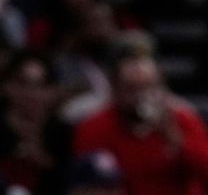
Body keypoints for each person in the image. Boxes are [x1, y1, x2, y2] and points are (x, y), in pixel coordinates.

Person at [74, 50, 208, 195]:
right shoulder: (94, 127)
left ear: (162, 88)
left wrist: (176, 139)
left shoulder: (182, 120)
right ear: (115, 89)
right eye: (132, 88)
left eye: (149, 87)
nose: (141, 96)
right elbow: (87, 185)